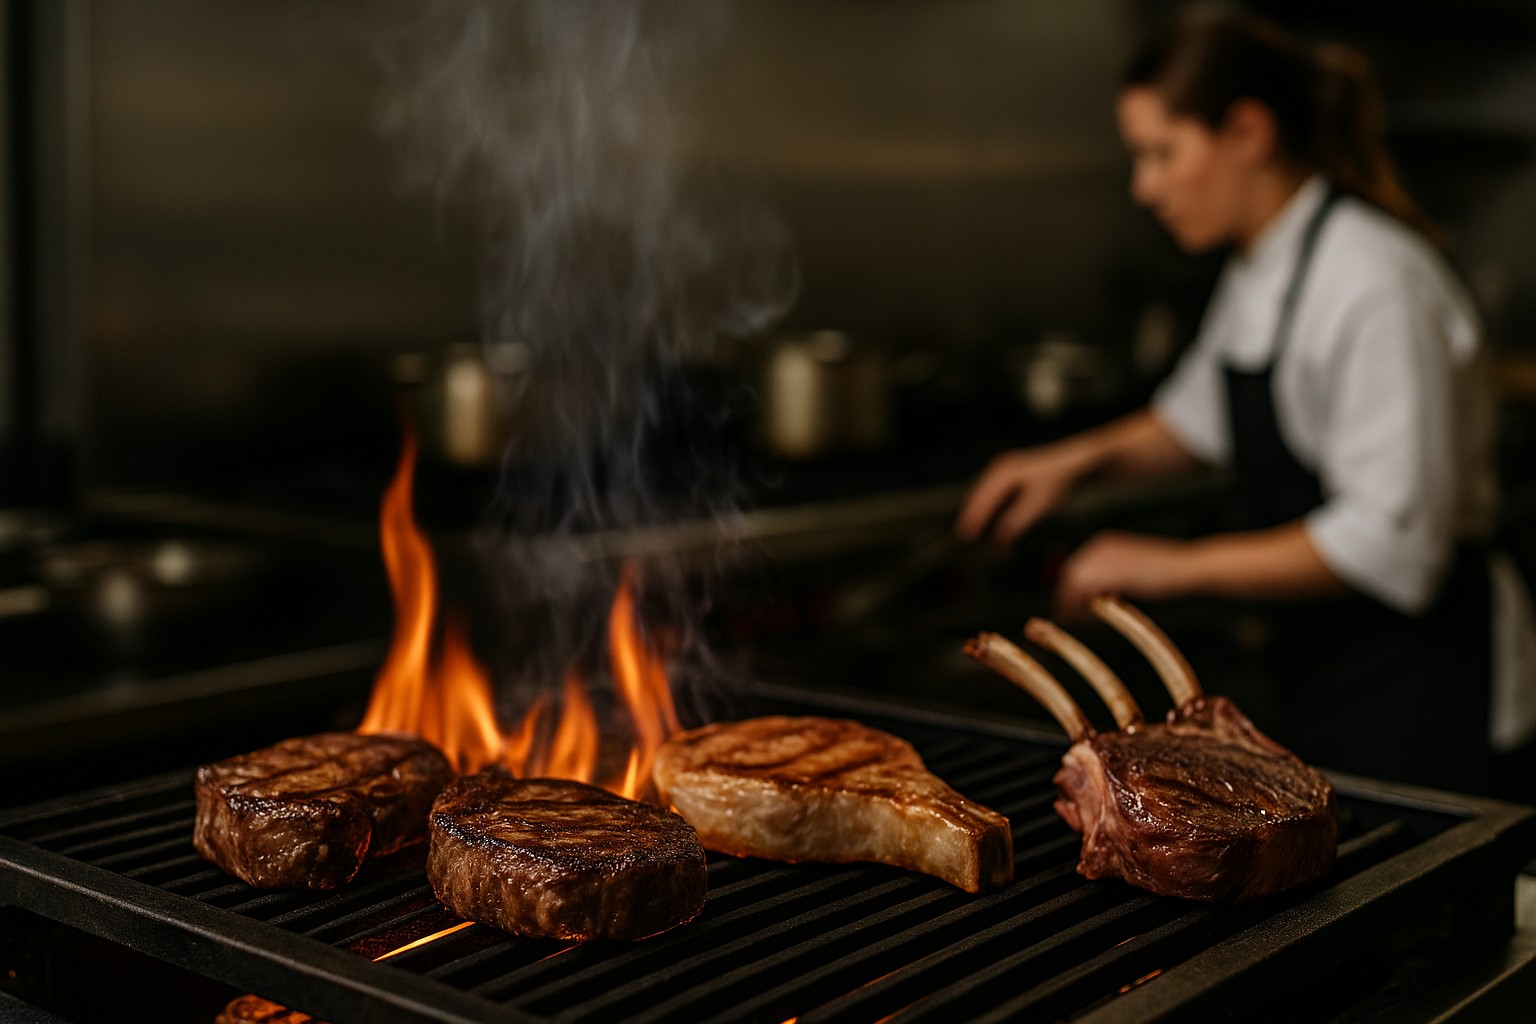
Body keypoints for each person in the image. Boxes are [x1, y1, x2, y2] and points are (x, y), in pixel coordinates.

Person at [955, 6, 1536, 793]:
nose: (1145, 186)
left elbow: (1387, 546)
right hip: (1326, 662)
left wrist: (1170, 566)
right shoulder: (1261, 266)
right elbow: (1195, 423)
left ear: (1248, 134)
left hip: (1425, 680)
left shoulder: (1376, 286)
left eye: (1162, 153)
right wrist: (1075, 461)